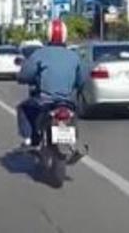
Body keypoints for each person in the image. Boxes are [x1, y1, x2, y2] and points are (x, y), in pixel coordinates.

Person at [16, 19, 84, 147]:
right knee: (74, 112)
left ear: (48, 35)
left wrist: (22, 78)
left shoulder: (39, 54)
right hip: (68, 101)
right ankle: (73, 141)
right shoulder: (74, 56)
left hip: (45, 100)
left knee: (23, 108)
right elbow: (81, 80)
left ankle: (30, 139)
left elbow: (25, 75)